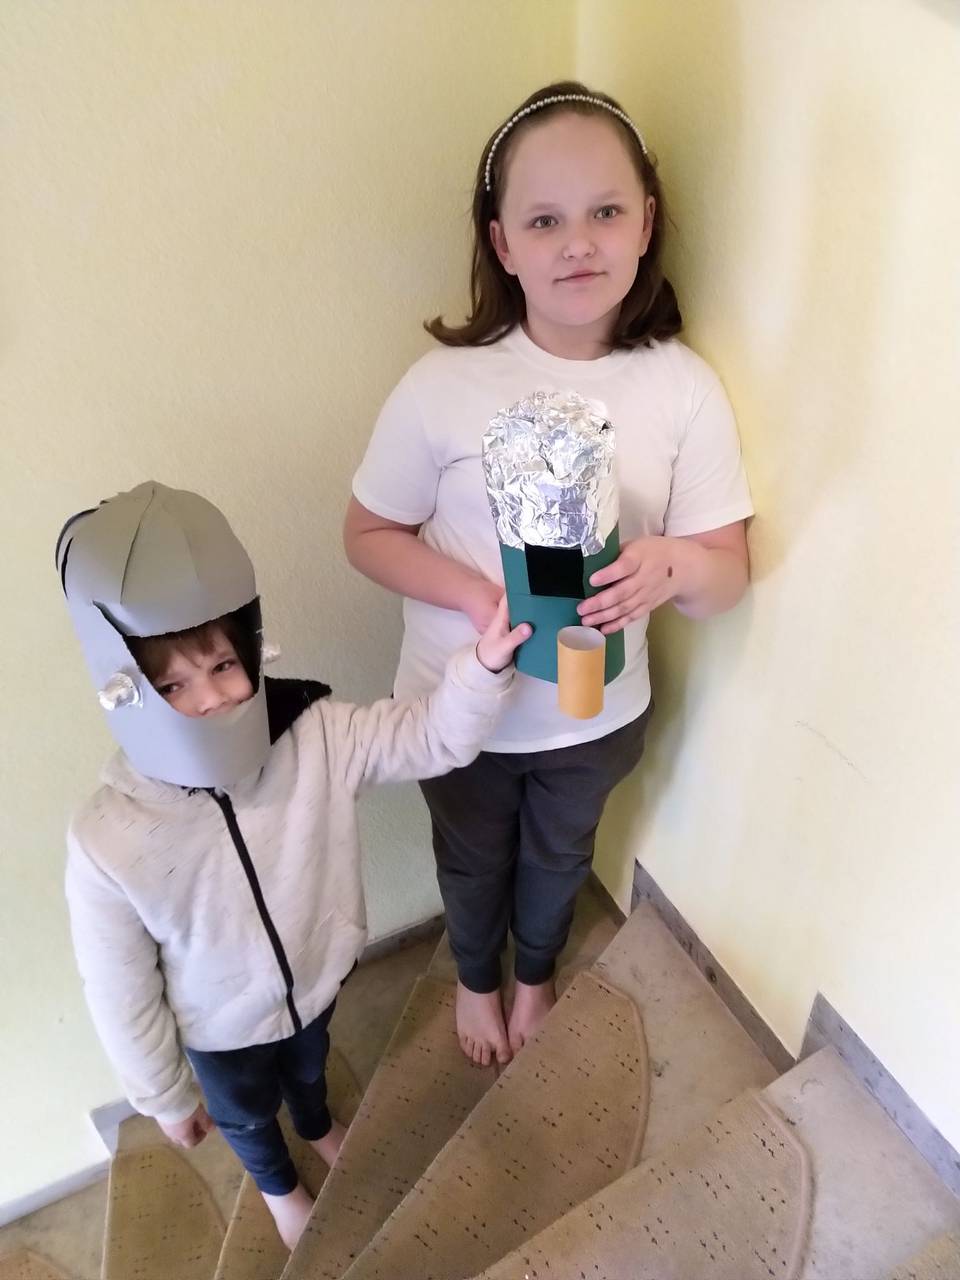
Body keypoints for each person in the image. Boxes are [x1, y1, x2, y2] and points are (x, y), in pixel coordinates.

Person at [344, 80, 753, 1070]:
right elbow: (367, 532)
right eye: (545, 220)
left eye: (605, 212)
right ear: (503, 243)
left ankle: (534, 973)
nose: (578, 243)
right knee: (470, 855)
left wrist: (673, 565)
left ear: (646, 222)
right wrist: (476, 595)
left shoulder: (681, 388)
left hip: (594, 713)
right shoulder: (443, 385)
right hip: (459, 710)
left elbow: (727, 577)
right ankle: (475, 976)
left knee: (561, 854)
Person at [58, 481, 528, 1250]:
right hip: (221, 1030)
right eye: (171, 684)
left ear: (252, 644)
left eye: (222, 664)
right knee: (246, 1113)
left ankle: (315, 1123)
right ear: (124, 689)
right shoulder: (110, 838)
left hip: (317, 979)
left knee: (310, 1071)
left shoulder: (316, 736)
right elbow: (118, 989)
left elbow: (429, 737)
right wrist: (164, 1096)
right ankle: (278, 1186)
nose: (210, 699)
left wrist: (482, 667)